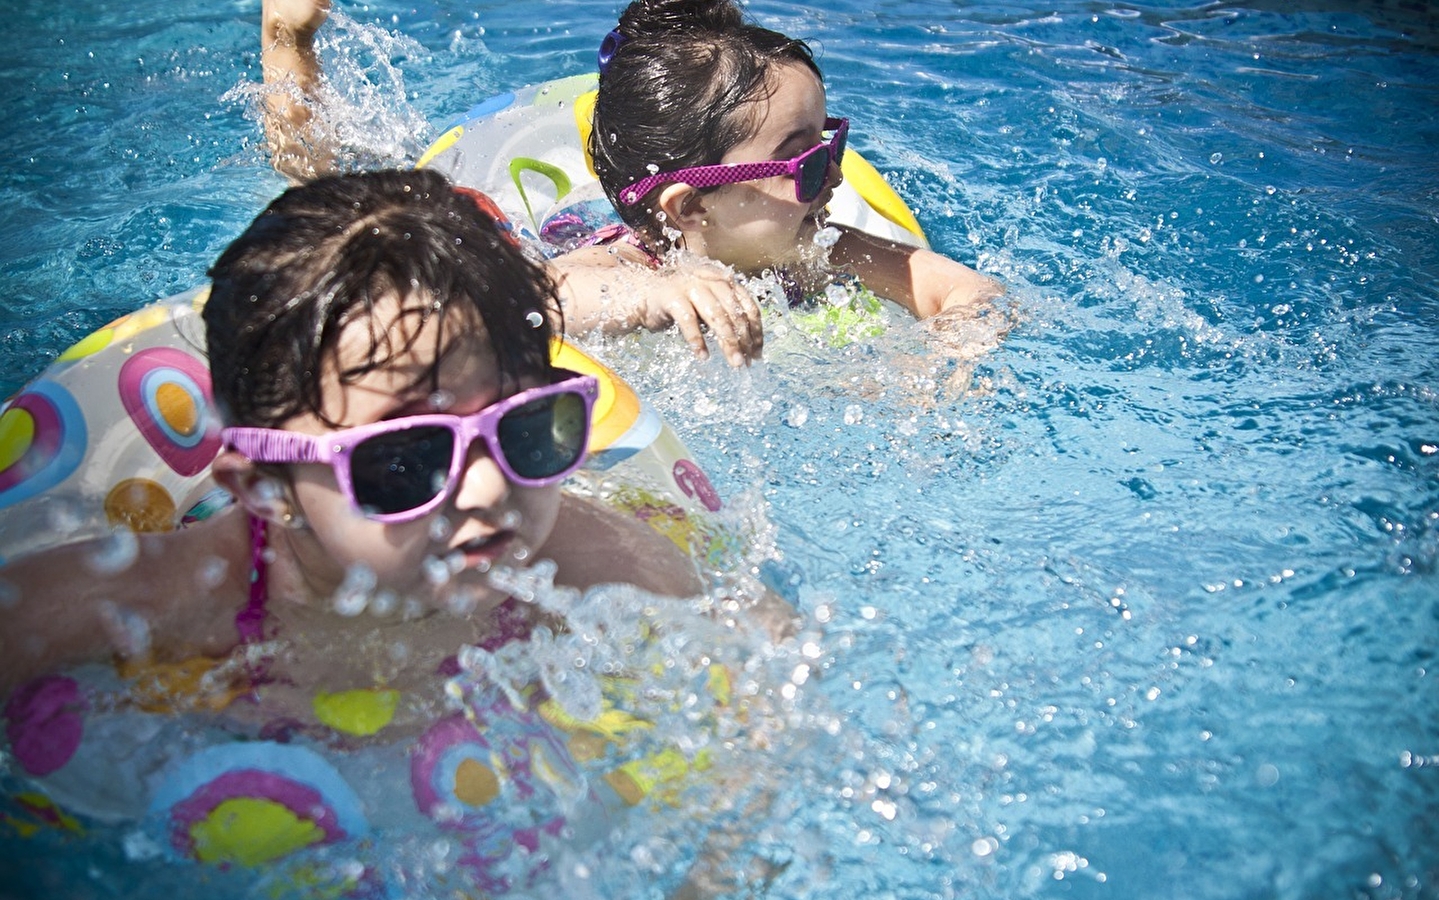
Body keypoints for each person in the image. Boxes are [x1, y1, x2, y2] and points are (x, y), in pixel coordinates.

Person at [0, 171, 727, 890]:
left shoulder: (579, 555)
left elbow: (755, 672)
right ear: (264, 486)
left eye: (527, 429)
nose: (487, 488)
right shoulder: (174, 594)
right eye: (405, 460)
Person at [258, 0, 1004, 369]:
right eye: (805, 163)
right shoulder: (622, 264)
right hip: (549, 228)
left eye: (831, 145)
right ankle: (287, 42)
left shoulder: (825, 247)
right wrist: (642, 297)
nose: (833, 178)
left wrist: (947, 364)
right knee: (331, 200)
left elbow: (966, 291)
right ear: (689, 206)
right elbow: (523, 311)